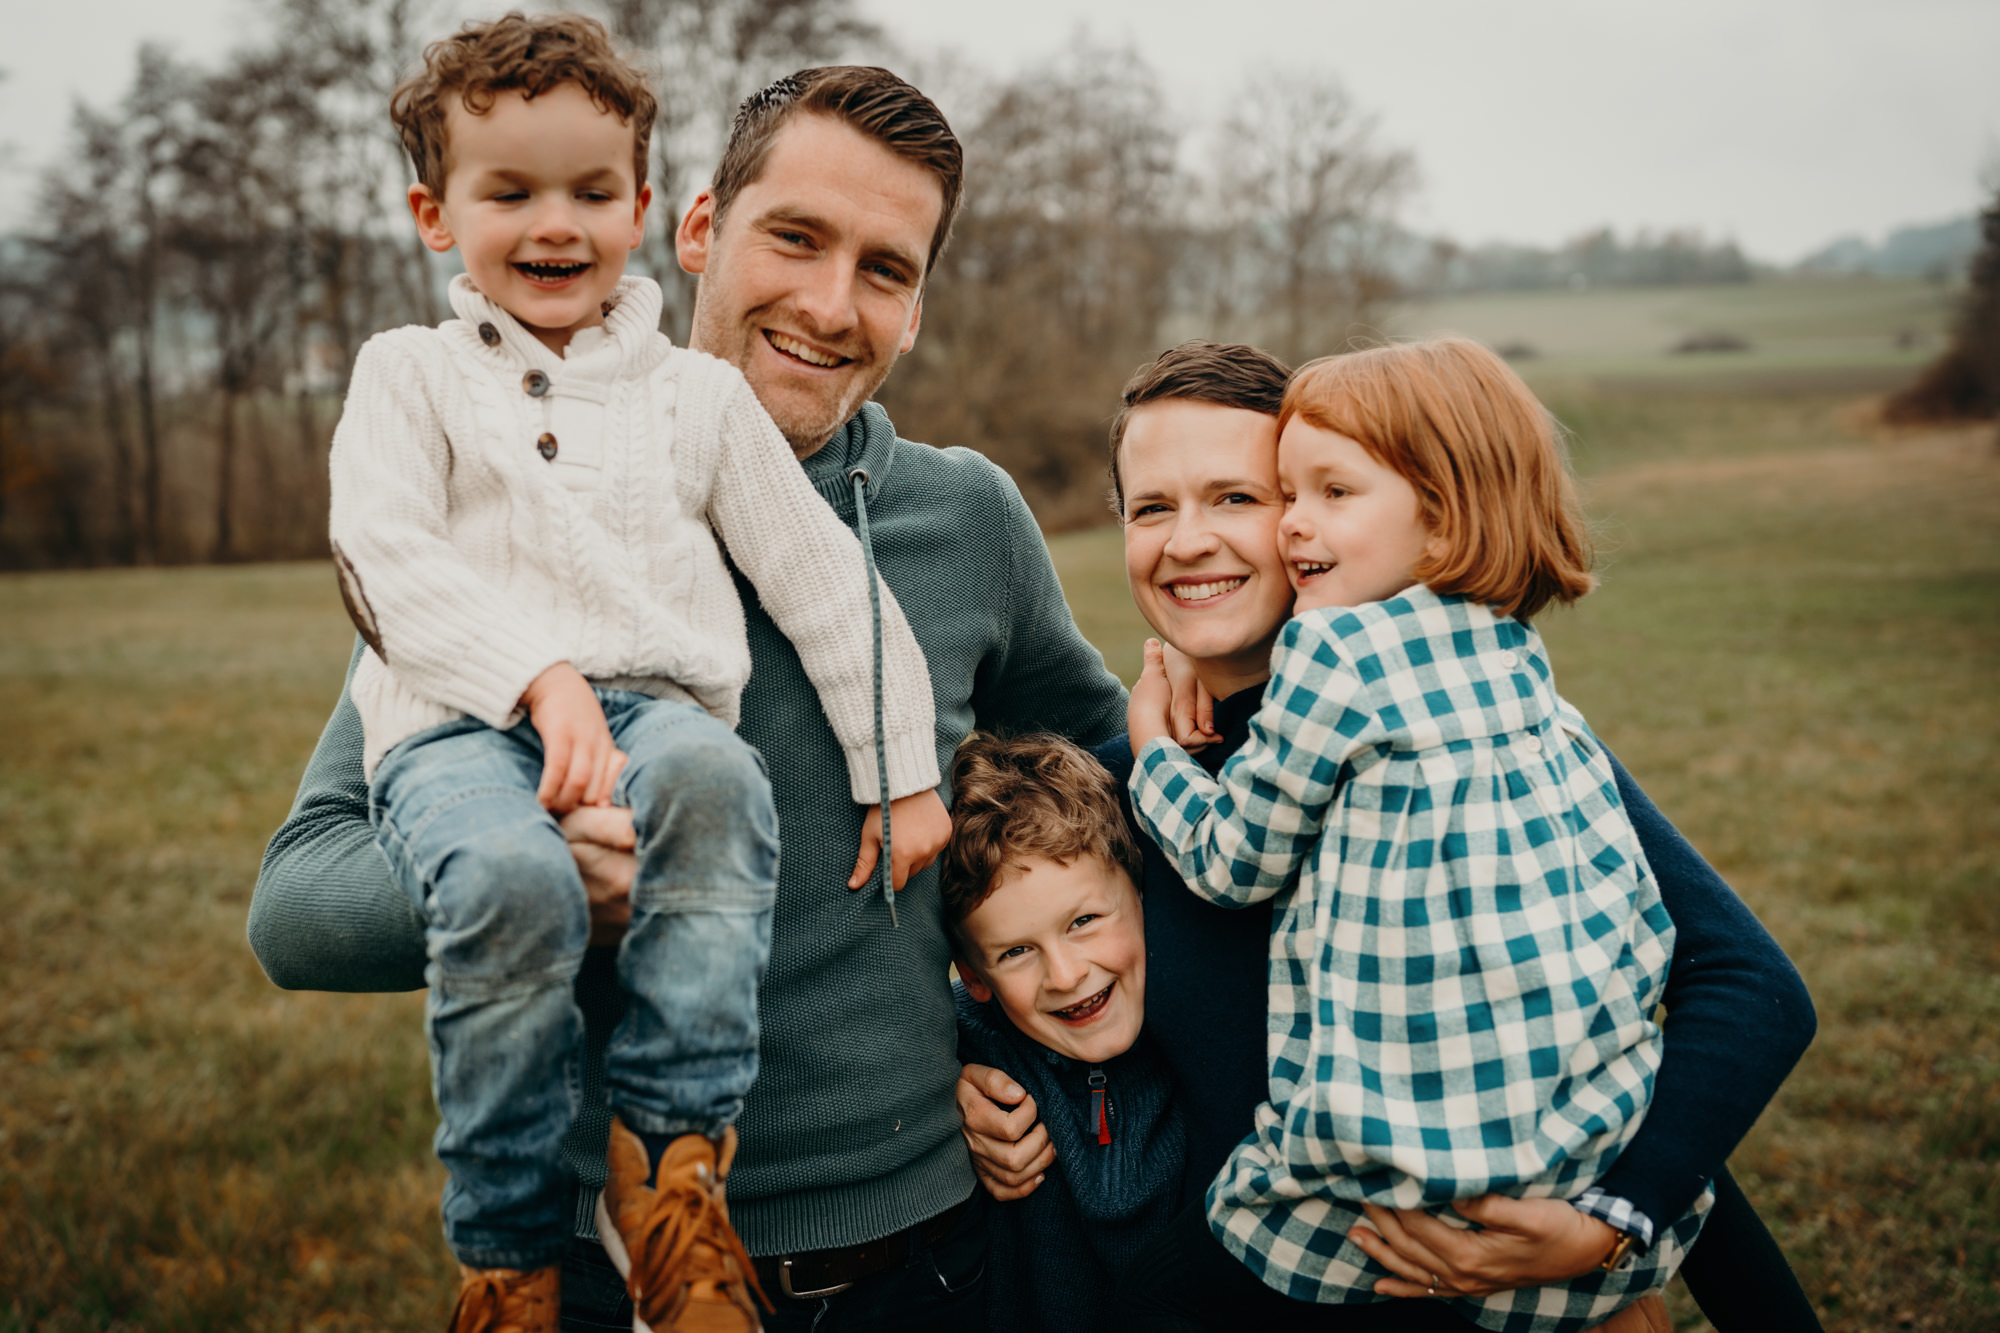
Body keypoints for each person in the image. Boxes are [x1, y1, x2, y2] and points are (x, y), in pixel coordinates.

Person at [248, 62, 1131, 1332]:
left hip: (924, 1256)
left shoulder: (966, 522)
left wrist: (1013, 1044)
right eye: (795, 238)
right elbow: (297, 904)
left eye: (884, 269)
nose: (829, 303)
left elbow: (1110, 789)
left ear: (915, 309)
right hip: (606, 1277)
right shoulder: (502, 512)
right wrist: (547, 868)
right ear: (698, 226)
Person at [959, 340, 1821, 1332]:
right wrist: (965, 1085)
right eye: (1152, 507)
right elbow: (1008, 968)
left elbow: (1692, 1007)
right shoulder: (1110, 801)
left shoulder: (1472, 746)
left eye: (1239, 497)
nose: (1188, 540)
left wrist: (1610, 1221)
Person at [330, 17, 946, 1329]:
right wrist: (538, 683)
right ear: (435, 215)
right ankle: (507, 1255)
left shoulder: (690, 401)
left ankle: (668, 1167)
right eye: (511, 192)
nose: (555, 224)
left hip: (658, 716)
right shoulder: (410, 377)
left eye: (590, 191)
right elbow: (382, 559)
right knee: (505, 878)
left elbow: (825, 581)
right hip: (458, 729)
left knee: (722, 782)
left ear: (642, 208)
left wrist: (902, 771)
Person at [941, 733, 1186, 1332]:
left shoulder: (1207, 1026)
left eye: (1084, 921)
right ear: (974, 976)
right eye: (1017, 951)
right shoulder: (964, 1062)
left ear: (1143, 895)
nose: (1066, 975)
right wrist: (940, 1098)